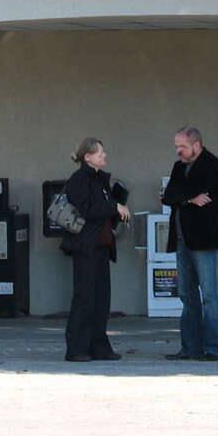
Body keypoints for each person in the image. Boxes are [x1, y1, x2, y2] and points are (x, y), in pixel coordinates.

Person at [61, 137, 130, 362]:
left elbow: (101, 208)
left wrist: (117, 204)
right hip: (85, 246)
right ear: (88, 157)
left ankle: (99, 346)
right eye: (100, 153)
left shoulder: (101, 181)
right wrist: (114, 206)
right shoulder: (78, 180)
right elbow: (88, 208)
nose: (104, 156)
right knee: (84, 298)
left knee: (101, 299)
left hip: (101, 246)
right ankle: (77, 348)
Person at [161, 126, 218, 361]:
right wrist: (188, 198)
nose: (178, 151)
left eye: (183, 147)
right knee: (187, 295)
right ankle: (190, 347)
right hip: (181, 239)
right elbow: (168, 196)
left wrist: (182, 196)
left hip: (204, 239)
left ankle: (214, 348)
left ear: (196, 145)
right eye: (177, 146)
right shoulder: (179, 167)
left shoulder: (213, 164)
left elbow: (204, 195)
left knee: (209, 295)